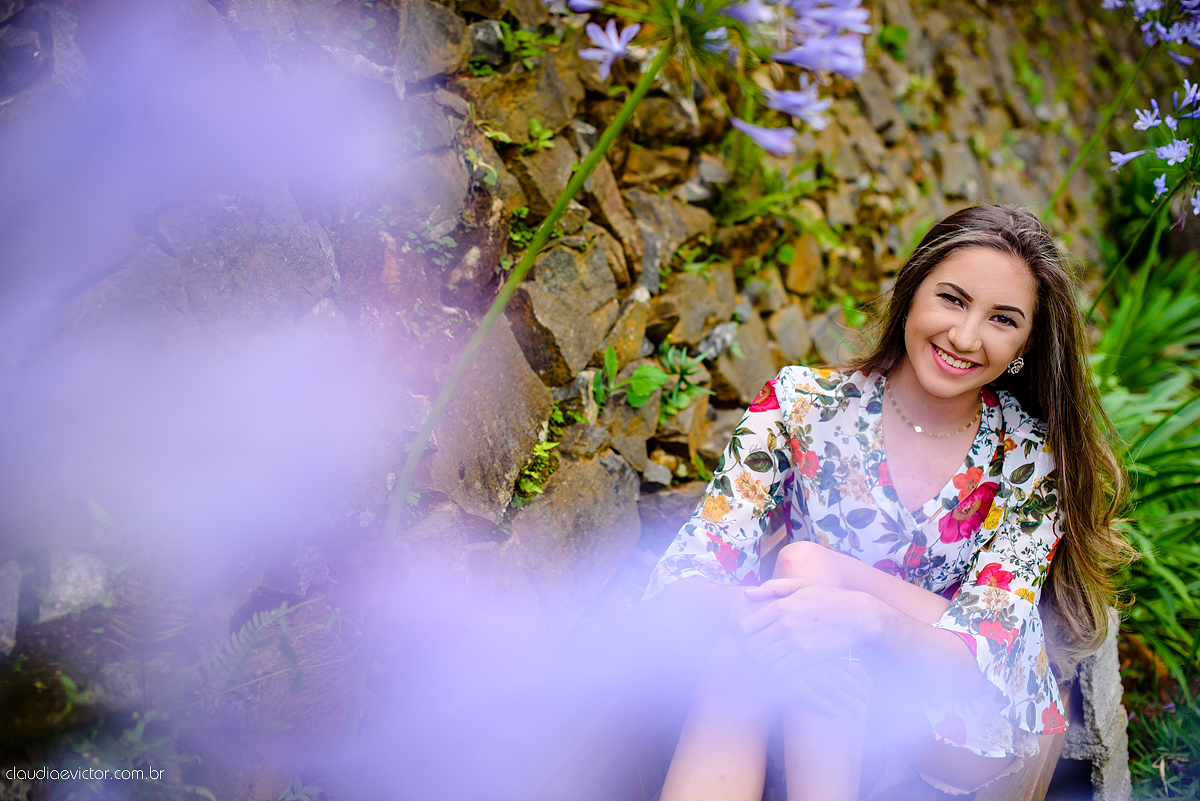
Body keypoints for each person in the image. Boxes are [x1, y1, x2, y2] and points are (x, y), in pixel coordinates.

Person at [644, 204, 1132, 800]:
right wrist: (799, 620)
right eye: (952, 299)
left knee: (806, 568)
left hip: (950, 706)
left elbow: (988, 648)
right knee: (751, 638)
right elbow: (686, 577)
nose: (965, 336)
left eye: (1003, 319)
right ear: (911, 293)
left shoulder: (1030, 455)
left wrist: (862, 618)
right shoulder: (801, 404)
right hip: (808, 673)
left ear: (1027, 341)